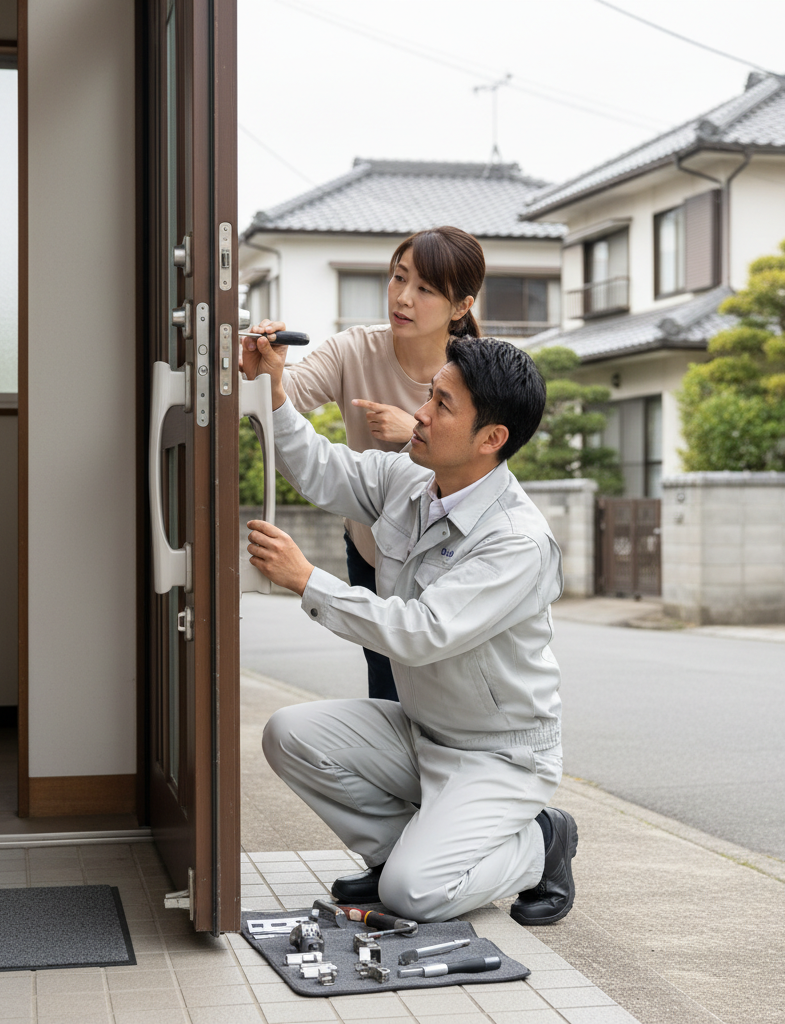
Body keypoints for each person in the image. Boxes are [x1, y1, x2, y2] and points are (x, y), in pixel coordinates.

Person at [240, 329, 577, 926]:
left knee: (414, 896)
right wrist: (272, 389)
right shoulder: (411, 482)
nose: (419, 414)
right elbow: (321, 468)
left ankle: (540, 845)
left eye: (443, 405)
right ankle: (410, 853)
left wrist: (307, 580)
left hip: (497, 755)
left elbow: (421, 632)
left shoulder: (516, 542)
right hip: (423, 731)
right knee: (289, 734)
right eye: (431, 395)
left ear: (491, 439)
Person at [246, 225, 485, 703]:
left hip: (448, 556)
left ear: (461, 307)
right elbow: (282, 398)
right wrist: (265, 368)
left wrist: (413, 430)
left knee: (446, 687)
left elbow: (490, 463)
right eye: (399, 278)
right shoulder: (355, 348)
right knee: (385, 683)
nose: (403, 298)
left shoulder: (478, 371)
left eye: (425, 289)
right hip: (372, 550)